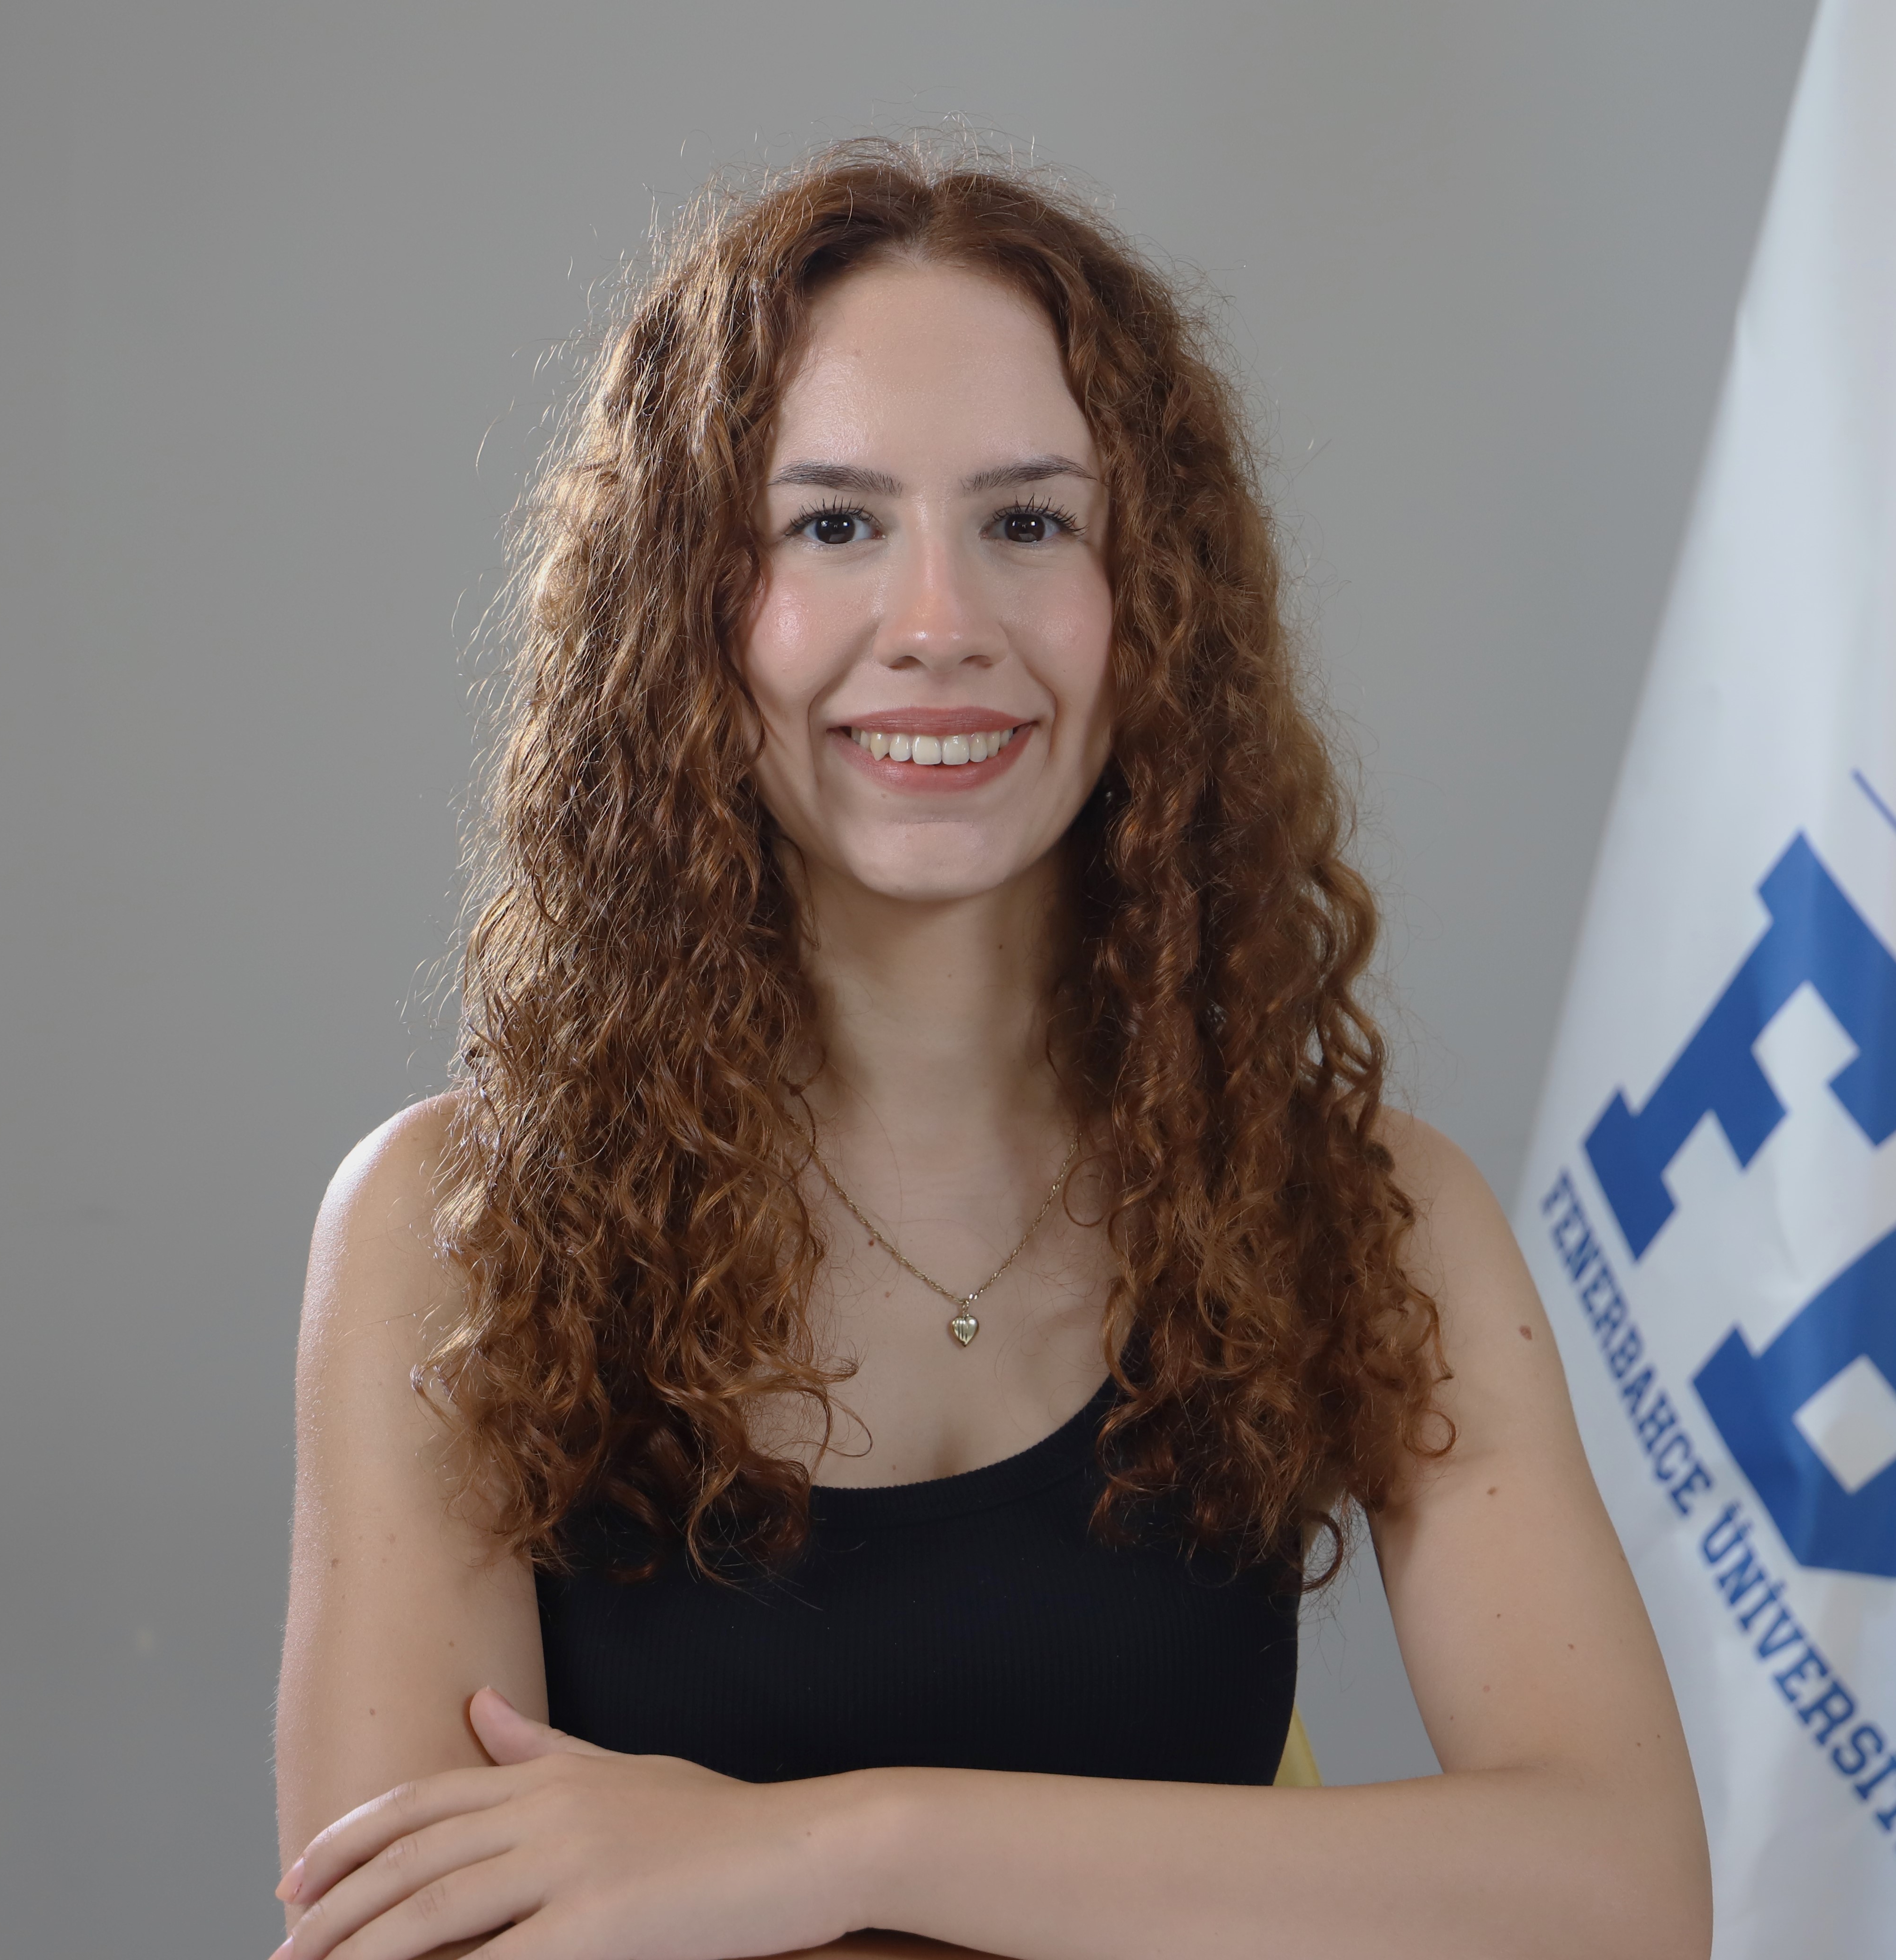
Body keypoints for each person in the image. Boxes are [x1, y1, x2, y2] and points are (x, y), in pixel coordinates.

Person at [273, 141, 1710, 1960]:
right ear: (684, 609)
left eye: (1029, 523)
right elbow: (412, 1941)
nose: (941, 626)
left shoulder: (1367, 1213)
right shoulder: (454, 1235)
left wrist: (831, 1849)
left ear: (1156, 606)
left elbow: (1622, 1894)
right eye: (833, 526)